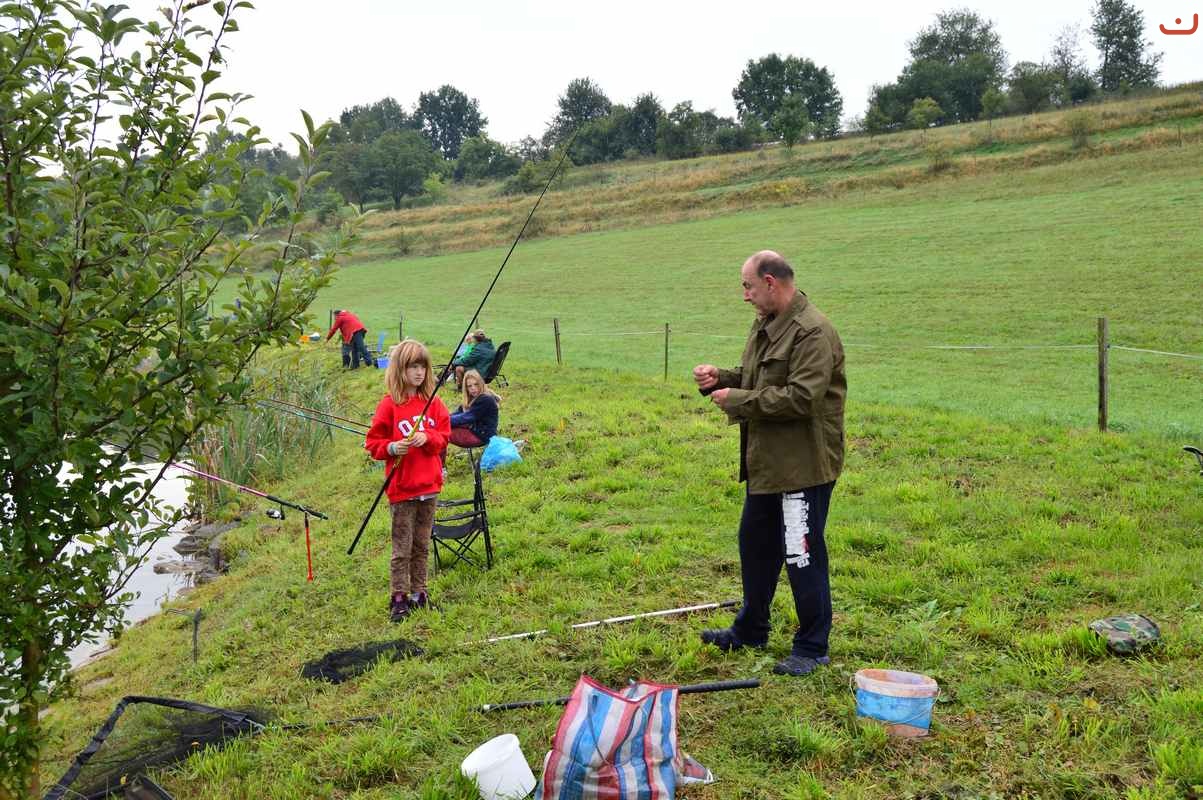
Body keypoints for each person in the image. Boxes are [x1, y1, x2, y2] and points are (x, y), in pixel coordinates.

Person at [692, 250, 846, 677]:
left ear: (770, 282)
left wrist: (738, 399)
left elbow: (801, 398)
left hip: (803, 465)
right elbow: (758, 379)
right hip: (768, 464)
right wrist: (722, 379)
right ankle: (751, 629)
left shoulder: (813, 332)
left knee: (801, 553)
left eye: (748, 286)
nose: (745, 295)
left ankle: (812, 647)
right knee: (755, 545)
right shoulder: (766, 323)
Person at [365, 339, 450, 622]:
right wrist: (392, 447)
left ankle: (419, 594)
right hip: (402, 490)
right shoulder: (389, 405)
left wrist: (428, 438)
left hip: (429, 487)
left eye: (423, 366)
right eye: (412, 366)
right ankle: (399, 598)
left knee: (422, 545)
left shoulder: (434, 404)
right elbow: (373, 443)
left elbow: (444, 438)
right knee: (402, 548)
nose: (419, 372)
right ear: (399, 369)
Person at [449, 369, 501, 451]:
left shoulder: (485, 399)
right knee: (444, 427)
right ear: (466, 388)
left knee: (442, 433)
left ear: (481, 384)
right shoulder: (472, 398)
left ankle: (437, 459)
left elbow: (465, 417)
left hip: (482, 436)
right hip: (475, 430)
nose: (473, 388)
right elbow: (458, 413)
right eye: (469, 386)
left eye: (476, 384)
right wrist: (443, 418)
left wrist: (443, 421)